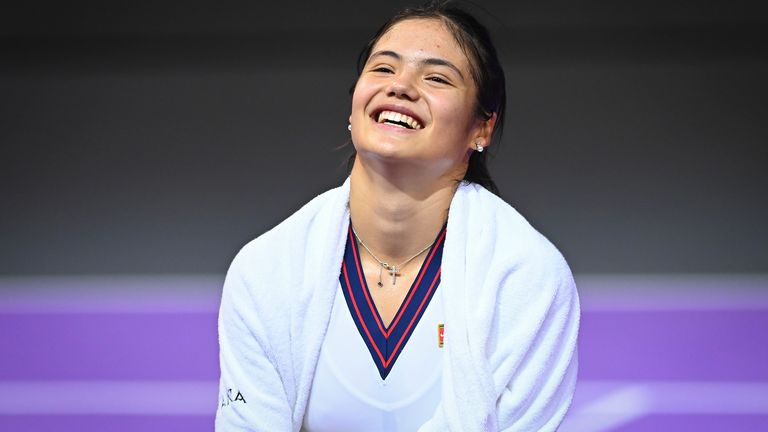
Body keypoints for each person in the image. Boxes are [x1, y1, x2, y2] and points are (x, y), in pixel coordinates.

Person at [215, 1, 579, 431]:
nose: (401, 86)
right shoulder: (266, 269)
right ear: (354, 105)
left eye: (437, 77)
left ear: (482, 127)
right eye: (383, 69)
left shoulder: (526, 277)